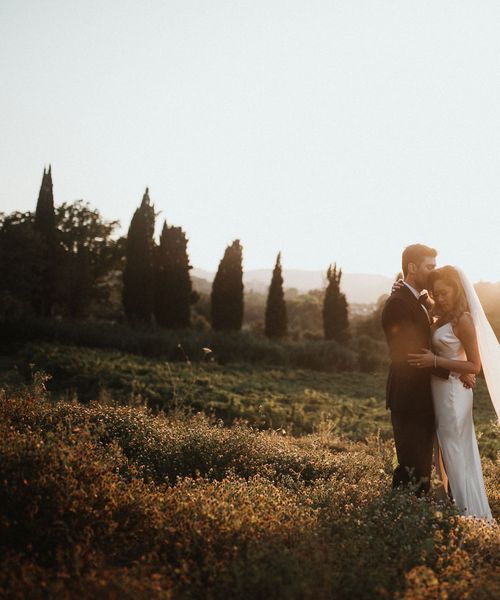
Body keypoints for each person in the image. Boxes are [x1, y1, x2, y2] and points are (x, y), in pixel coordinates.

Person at [408, 265, 495, 521]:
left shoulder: (463, 320)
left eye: (444, 293)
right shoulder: (443, 315)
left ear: (456, 291)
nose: (440, 298)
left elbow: (475, 366)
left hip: (454, 395)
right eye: (437, 294)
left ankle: (469, 515)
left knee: (456, 452)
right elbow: (457, 358)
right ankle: (456, 509)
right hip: (442, 390)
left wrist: (436, 361)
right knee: (447, 451)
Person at [381, 244, 451, 496]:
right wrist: (450, 369)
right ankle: (402, 511)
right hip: (409, 395)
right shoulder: (398, 303)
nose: (434, 272)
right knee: (412, 465)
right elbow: (409, 354)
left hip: (421, 395)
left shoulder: (417, 298)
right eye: (429, 267)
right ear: (412, 267)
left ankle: (409, 509)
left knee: (419, 463)